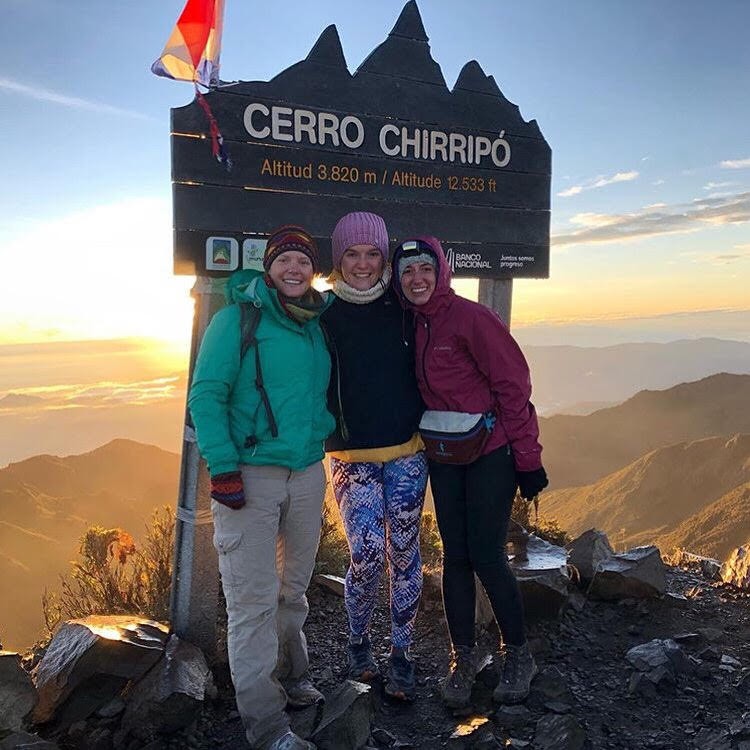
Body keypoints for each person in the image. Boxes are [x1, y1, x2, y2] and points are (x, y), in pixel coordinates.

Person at [188, 226, 335, 750]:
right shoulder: (236, 320)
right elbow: (206, 396)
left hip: (306, 472)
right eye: (285, 260)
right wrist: (222, 468)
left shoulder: (314, 323)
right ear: (269, 267)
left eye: (303, 261)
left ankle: (293, 679)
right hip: (250, 475)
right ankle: (269, 728)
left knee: (292, 590)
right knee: (252, 601)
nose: (294, 269)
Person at [391, 236, 549, 709]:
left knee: (486, 555)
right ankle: (465, 658)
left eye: (424, 268)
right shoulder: (413, 323)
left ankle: (518, 654)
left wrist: (528, 459)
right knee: (454, 557)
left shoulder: (472, 319)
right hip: (445, 454)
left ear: (441, 270)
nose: (417, 278)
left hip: (490, 453)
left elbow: (513, 387)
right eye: (407, 272)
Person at [321, 212, 427, 701]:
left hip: (407, 451)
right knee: (364, 552)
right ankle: (359, 641)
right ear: (338, 258)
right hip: (349, 455)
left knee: (404, 553)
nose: (363, 264)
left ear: (384, 257)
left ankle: (402, 655)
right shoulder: (321, 313)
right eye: (351, 254)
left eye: (372, 254)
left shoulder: (405, 307)